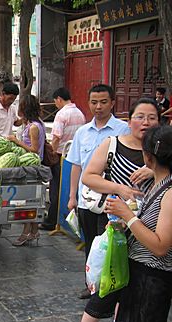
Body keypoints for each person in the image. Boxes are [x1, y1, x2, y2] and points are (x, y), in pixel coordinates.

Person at [69, 98, 159, 322]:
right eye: (140, 116)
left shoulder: (161, 150)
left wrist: (153, 170)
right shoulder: (113, 144)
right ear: (129, 120)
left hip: (150, 228)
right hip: (118, 227)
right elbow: (89, 176)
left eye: (151, 117)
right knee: (111, 283)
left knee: (132, 283)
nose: (145, 122)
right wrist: (119, 188)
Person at [105, 125, 172, 322]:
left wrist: (128, 216)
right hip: (141, 273)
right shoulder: (157, 183)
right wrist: (122, 222)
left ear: (148, 157)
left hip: (153, 278)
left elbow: (160, 246)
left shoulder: (170, 192)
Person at [66, 84, 130, 299]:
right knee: (91, 244)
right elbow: (76, 165)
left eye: (103, 102)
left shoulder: (123, 130)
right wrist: (72, 196)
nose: (98, 106)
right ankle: (91, 284)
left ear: (112, 103)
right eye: (94, 102)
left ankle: (111, 286)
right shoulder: (82, 132)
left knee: (111, 244)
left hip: (113, 202)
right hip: (86, 201)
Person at [40, 87, 86, 231]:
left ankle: (51, 221)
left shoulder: (61, 114)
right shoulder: (80, 113)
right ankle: (68, 221)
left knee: (56, 190)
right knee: (70, 190)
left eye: (55, 102)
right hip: (75, 158)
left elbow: (56, 138)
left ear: (59, 99)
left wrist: (52, 153)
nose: (56, 105)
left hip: (60, 157)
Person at [7, 94, 46, 246]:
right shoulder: (34, 123)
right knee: (33, 201)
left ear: (25, 109)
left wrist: (16, 141)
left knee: (27, 202)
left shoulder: (34, 127)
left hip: (32, 168)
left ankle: (26, 233)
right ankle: (34, 232)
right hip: (31, 167)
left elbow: (34, 150)